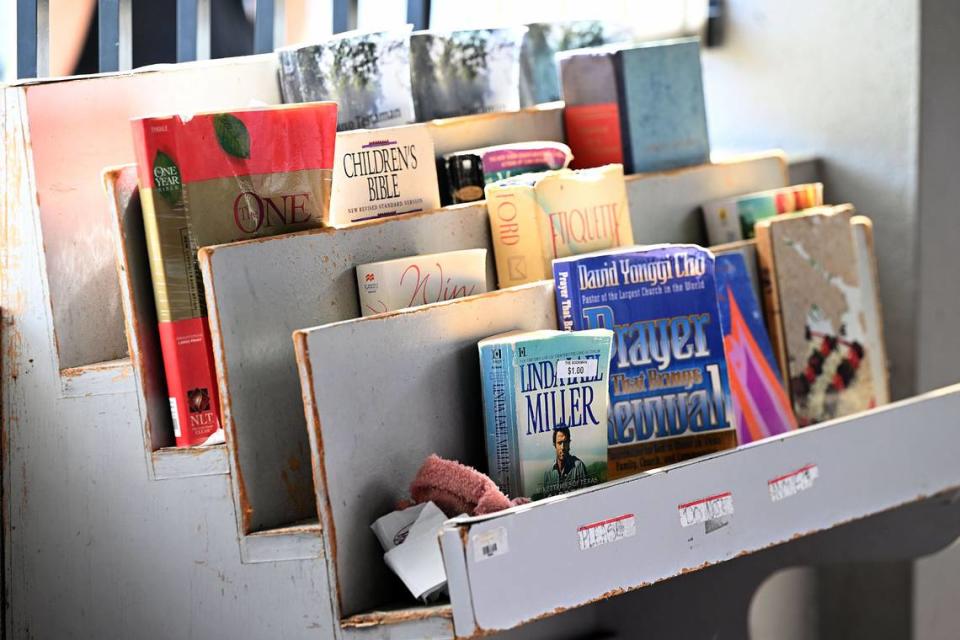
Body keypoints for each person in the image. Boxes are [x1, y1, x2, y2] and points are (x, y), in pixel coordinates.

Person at [541, 427, 588, 495]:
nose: (562, 447)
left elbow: (586, 496)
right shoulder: (548, 472)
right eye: (559, 443)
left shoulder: (579, 466)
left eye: (565, 442)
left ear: (569, 444)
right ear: (554, 445)